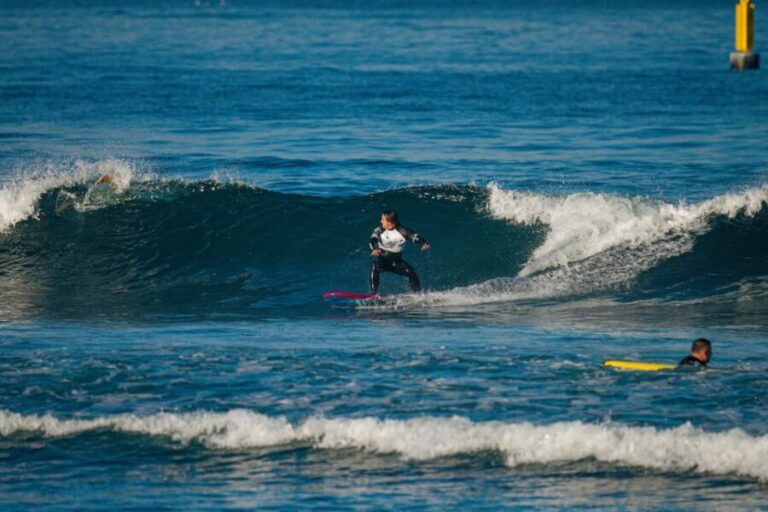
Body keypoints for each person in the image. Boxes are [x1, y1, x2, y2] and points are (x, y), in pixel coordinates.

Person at [369, 210, 430, 295]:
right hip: (382, 260)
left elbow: (415, 237)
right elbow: (373, 239)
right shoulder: (379, 230)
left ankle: (419, 295)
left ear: (391, 222)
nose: (380, 221)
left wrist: (423, 243)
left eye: (383, 219)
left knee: (411, 273)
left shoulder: (403, 231)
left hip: (396, 262)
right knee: (375, 266)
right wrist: (375, 248)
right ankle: (373, 294)